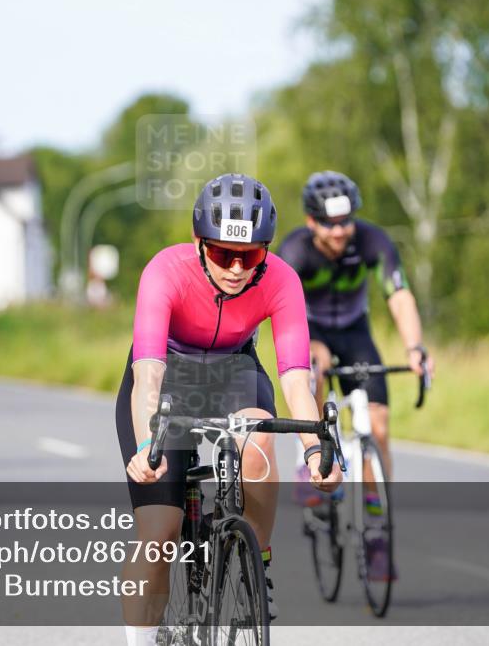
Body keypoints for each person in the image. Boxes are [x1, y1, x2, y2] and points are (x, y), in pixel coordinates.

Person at [117, 173, 342, 645]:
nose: (237, 268)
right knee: (159, 532)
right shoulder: (166, 270)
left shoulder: (282, 279)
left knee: (259, 439)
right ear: (199, 243)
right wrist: (146, 444)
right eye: (223, 253)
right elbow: (149, 377)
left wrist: (314, 449)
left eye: (251, 255)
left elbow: (296, 379)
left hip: (233, 369)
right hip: (168, 376)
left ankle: (255, 561)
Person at [277, 170, 435, 579]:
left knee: (378, 428)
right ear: (311, 221)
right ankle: (305, 459)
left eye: (346, 221)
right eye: (330, 224)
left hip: (355, 333)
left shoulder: (373, 241)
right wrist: (311, 346)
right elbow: (281, 314)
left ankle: (377, 533)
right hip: (309, 331)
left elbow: (399, 296)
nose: (340, 231)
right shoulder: (294, 251)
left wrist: (415, 347)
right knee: (314, 367)